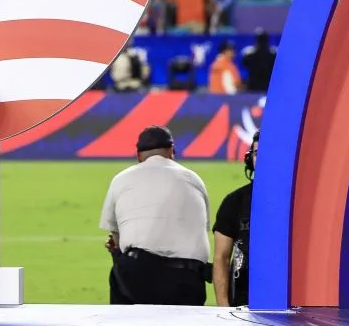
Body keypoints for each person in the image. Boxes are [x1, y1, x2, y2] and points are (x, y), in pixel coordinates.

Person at [100, 125, 210, 306]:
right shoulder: (194, 179)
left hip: (138, 274)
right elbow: (201, 228)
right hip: (188, 278)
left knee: (121, 274)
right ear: (171, 151)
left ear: (138, 156)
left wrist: (118, 249)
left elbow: (115, 237)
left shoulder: (121, 178)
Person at [214, 130, 259, 307]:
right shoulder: (234, 201)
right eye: (257, 153)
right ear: (250, 159)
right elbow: (221, 258)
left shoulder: (295, 202)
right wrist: (223, 307)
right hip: (241, 301)